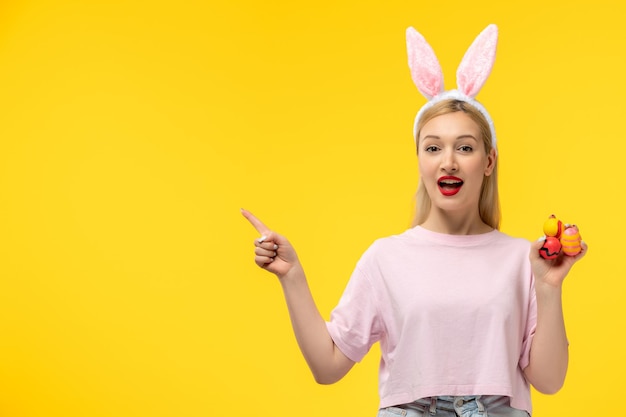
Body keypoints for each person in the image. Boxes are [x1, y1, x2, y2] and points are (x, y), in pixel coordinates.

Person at [241, 24, 586, 417]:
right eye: (433, 147)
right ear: (420, 160)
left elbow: (549, 381)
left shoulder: (524, 259)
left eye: (466, 147)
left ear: (488, 162)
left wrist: (549, 286)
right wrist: (292, 275)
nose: (448, 161)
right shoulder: (385, 258)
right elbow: (328, 365)